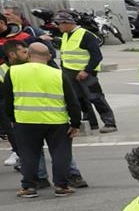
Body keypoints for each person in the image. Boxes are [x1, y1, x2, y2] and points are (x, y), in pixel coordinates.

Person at [2, 40, 84, 197]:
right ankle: (62, 186)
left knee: (28, 154)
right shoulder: (58, 74)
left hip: (25, 121)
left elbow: (8, 100)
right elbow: (72, 101)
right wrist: (75, 123)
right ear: (48, 57)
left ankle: (29, 187)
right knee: (61, 153)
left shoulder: (14, 72)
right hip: (56, 121)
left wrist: (12, 118)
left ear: (29, 55)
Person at [55, 12, 115, 131]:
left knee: (96, 97)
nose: (58, 27)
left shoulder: (86, 35)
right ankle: (91, 123)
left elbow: (97, 56)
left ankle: (110, 123)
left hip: (86, 73)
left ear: (67, 23)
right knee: (79, 99)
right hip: (70, 72)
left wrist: (86, 71)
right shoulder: (66, 35)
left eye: (59, 24)